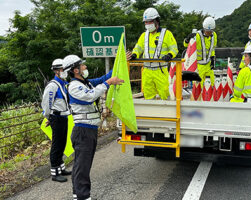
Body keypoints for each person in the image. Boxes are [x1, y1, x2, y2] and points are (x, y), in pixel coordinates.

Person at [63, 55, 123, 200]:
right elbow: (90, 96)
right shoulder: (74, 86)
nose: (85, 67)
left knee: (81, 166)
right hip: (83, 131)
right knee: (82, 167)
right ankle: (83, 196)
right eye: (82, 66)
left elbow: (103, 79)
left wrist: (120, 63)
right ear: (75, 70)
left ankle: (79, 195)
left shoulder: (85, 83)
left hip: (88, 131)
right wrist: (109, 82)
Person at [129, 7, 178, 100]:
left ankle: (167, 112)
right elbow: (138, 47)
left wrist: (169, 55)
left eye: (150, 21)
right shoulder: (144, 35)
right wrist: (134, 54)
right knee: (148, 96)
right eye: (146, 22)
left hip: (160, 71)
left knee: (165, 95)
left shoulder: (166, 34)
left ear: (156, 21)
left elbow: (174, 49)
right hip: (147, 71)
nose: (147, 24)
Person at [41, 58, 72, 182]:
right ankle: (55, 173)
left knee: (62, 143)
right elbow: (46, 104)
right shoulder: (53, 85)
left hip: (63, 117)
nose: (64, 71)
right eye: (62, 69)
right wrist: (49, 117)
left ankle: (61, 168)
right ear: (56, 71)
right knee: (56, 145)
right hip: (56, 118)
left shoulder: (63, 83)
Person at [184, 16, 217, 88]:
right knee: (198, 87)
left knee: (211, 86)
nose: (208, 33)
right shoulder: (197, 35)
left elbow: (212, 48)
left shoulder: (214, 35)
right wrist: (187, 39)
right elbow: (187, 46)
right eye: (207, 31)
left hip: (208, 65)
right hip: (198, 66)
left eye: (210, 31)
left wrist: (212, 57)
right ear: (203, 28)